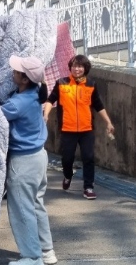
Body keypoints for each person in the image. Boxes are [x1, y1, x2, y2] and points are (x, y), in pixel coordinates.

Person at [0, 55, 57, 265]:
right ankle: (46, 250)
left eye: (16, 71)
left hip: (23, 162)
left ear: (25, 79)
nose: (12, 73)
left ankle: (32, 257)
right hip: (39, 157)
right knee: (35, 205)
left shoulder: (18, 103)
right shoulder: (33, 93)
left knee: (22, 209)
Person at [43, 54, 115, 200]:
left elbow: (98, 105)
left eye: (80, 66)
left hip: (86, 129)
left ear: (85, 68)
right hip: (67, 129)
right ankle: (68, 175)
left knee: (88, 157)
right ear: (70, 67)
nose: (77, 69)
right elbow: (50, 100)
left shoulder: (91, 84)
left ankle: (88, 187)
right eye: (75, 66)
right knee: (67, 159)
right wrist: (46, 114)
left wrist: (108, 122)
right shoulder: (61, 83)